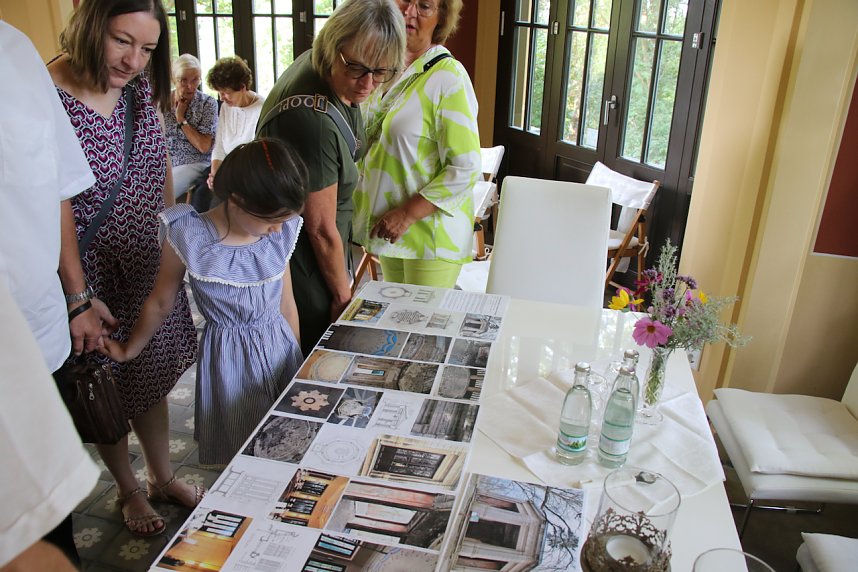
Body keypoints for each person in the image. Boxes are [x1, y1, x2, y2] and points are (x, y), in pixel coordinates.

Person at [48, 0, 200, 538]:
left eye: (149, 48)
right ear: (92, 28)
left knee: (150, 372)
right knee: (104, 378)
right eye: (122, 41)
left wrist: (170, 235)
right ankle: (128, 487)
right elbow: (48, 201)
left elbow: (157, 163)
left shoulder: (141, 88)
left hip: (144, 257)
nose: (134, 60)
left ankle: (160, 476)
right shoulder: (47, 95)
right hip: (85, 273)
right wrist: (77, 294)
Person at [100, 138, 307, 467]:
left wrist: (298, 366)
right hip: (229, 363)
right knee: (240, 453)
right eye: (271, 218)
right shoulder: (189, 234)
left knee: (289, 442)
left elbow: (287, 306)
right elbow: (160, 301)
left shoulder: (279, 235)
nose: (277, 228)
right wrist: (129, 350)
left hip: (280, 351)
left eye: (285, 218)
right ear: (237, 200)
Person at [0, 19, 100, 570]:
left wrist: (77, 298)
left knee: (50, 512)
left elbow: (57, 185)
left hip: (38, 331)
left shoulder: (12, 50)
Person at [257, 0, 405, 356]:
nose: (368, 83)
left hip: (317, 256)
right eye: (356, 68)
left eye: (382, 71)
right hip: (306, 268)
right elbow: (321, 230)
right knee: (315, 363)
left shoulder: (322, 64)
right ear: (333, 44)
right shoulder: (312, 120)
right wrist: (343, 297)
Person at [353, 0, 480, 288]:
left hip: (429, 236)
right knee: (395, 331)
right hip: (390, 232)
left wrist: (407, 214)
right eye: (404, 1)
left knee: (420, 331)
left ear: (440, 18)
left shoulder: (449, 77)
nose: (410, 12)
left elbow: (466, 167)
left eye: (424, 6)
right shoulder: (386, 70)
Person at [165, 53, 218, 200]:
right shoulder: (161, 102)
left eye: (195, 79)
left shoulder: (207, 103)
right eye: (183, 80)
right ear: (173, 80)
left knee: (159, 193)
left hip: (195, 162)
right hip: (166, 163)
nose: (190, 86)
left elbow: (204, 146)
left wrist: (181, 118)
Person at [206, 55, 265, 187]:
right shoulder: (227, 107)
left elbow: (256, 159)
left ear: (242, 87)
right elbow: (219, 147)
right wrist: (215, 175)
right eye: (219, 93)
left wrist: (226, 179)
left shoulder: (262, 109)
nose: (222, 98)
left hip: (248, 177)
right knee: (201, 197)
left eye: (226, 93)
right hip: (226, 172)